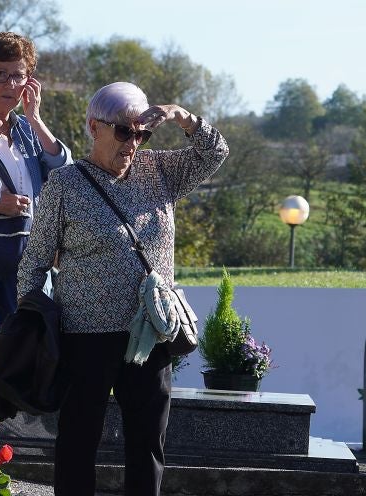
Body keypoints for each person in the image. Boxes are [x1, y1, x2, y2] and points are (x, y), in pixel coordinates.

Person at [17, 82, 229, 496]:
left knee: (148, 441)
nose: (132, 143)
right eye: (123, 132)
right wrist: (30, 327)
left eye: (141, 134)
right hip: (86, 336)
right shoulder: (65, 184)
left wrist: (180, 115)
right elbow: (34, 261)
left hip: (151, 332)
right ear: (94, 127)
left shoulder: (159, 171)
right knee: (78, 440)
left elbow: (215, 152)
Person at [0, 32, 73, 377]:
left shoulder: (26, 128)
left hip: (27, 268)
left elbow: (64, 173)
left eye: (19, 76)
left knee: (25, 362)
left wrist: (36, 119)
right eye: (1, 74)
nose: (10, 84)